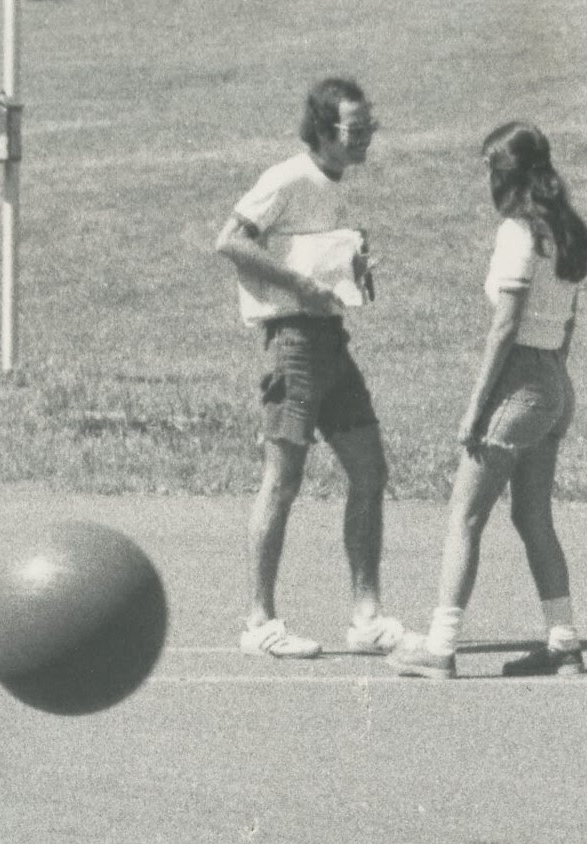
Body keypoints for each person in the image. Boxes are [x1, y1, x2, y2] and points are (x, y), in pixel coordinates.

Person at [391, 122, 587, 681]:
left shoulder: (517, 232)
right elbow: (569, 319)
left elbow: (504, 328)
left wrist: (477, 406)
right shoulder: (563, 230)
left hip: (521, 380)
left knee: (464, 515)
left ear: (507, 173)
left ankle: (440, 647)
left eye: (490, 167)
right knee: (533, 516)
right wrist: (552, 384)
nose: (486, 177)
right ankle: (564, 643)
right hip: (554, 380)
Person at [214, 75, 399, 661]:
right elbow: (230, 242)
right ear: (323, 129)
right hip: (291, 342)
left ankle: (366, 616)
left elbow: (322, 257)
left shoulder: (337, 182)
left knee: (369, 471)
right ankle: (259, 621)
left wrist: (353, 268)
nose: (367, 136)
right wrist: (300, 285)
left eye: (371, 125)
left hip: (331, 341)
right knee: (284, 479)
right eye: (356, 128)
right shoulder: (286, 179)